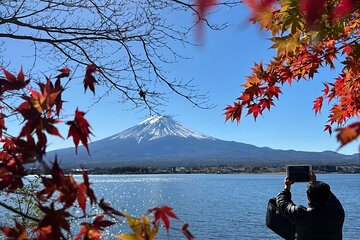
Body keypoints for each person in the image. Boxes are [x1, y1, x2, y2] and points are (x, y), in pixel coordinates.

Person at [276, 172, 345, 240]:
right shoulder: (338, 213)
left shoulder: (301, 214)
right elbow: (332, 199)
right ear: (328, 196)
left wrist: (287, 187)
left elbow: (282, 202)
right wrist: (315, 183)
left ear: (308, 197)